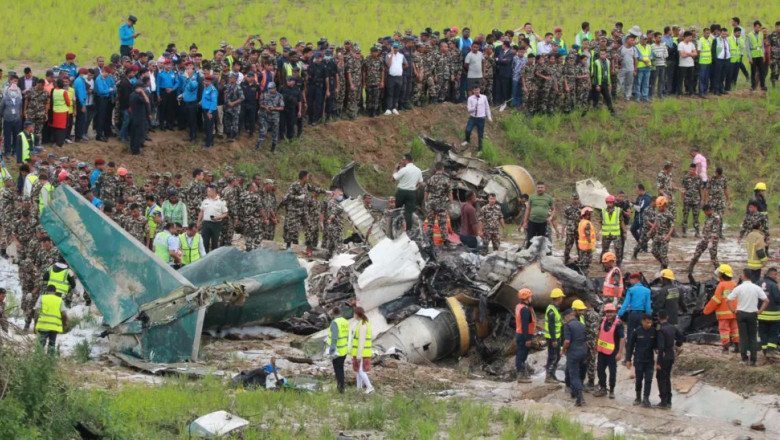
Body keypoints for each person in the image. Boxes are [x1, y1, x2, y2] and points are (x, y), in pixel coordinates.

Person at [727, 268, 770, 366]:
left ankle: (744, 358)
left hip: (741, 314)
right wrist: (760, 311)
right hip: (752, 314)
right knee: (752, 337)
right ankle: (753, 360)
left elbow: (728, 300)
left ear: (744, 276)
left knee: (743, 336)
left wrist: (733, 310)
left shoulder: (739, 288)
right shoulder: (756, 288)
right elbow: (766, 300)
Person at [592, 303, 624, 399]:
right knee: (600, 370)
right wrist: (595, 345)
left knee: (612, 372)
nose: (609, 314)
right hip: (601, 351)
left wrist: (620, 353)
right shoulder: (603, 321)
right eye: (607, 312)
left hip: (612, 353)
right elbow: (599, 333)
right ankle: (602, 388)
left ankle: (612, 390)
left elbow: (622, 338)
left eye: (611, 312)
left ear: (615, 312)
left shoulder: (618, 324)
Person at [625, 313, 656, 407]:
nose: (649, 324)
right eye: (647, 322)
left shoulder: (654, 331)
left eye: (650, 323)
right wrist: (628, 359)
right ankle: (638, 397)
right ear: (642, 321)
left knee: (648, 380)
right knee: (639, 379)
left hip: (649, 360)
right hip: (639, 360)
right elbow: (630, 346)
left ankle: (646, 398)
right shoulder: (637, 331)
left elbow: (657, 344)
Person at [655, 310, 684, 409]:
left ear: (659, 318)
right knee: (667, 378)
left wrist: (658, 362)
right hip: (671, 355)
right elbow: (681, 337)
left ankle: (663, 401)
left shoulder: (660, 330)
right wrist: (677, 345)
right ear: (667, 317)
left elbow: (661, 347)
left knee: (661, 378)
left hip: (663, 357)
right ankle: (669, 401)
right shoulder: (672, 327)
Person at [562, 307, 588, 406]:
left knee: (574, 375)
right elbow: (586, 341)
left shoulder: (567, 326)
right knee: (581, 373)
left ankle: (580, 398)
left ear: (568, 316)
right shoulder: (582, 325)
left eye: (565, 318)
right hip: (583, 352)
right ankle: (574, 392)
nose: (565, 320)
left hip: (573, 353)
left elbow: (567, 341)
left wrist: (563, 350)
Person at [392, 153, 423, 233]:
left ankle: (396, 227)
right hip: (412, 193)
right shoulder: (418, 170)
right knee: (409, 212)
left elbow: (393, 179)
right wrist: (415, 188)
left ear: (406, 160)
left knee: (397, 210)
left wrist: (396, 169)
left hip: (402, 191)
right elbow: (420, 183)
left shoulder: (404, 169)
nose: (402, 161)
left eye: (402, 159)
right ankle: (408, 231)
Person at [424, 162, 453, 246]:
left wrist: (426, 202)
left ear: (435, 169)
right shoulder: (446, 180)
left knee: (430, 223)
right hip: (441, 204)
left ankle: (429, 240)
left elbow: (426, 192)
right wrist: (451, 203)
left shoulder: (430, 179)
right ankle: (445, 241)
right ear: (443, 169)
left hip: (431, 204)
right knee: (442, 223)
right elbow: (450, 193)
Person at [34, 285, 68, 355]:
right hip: (54, 327)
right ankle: (50, 360)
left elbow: (36, 312)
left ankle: (38, 360)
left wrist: (35, 324)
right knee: (52, 344)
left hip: (43, 326)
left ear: (46, 291)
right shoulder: (59, 300)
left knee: (40, 345)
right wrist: (64, 324)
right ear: (55, 292)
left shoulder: (42, 298)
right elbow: (64, 314)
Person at [618, 273, 652, 342]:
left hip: (632, 315)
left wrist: (619, 314)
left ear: (636, 279)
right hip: (642, 315)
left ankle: (629, 351)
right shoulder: (647, 291)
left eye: (630, 279)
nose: (629, 281)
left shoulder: (631, 290)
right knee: (641, 334)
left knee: (630, 334)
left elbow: (625, 304)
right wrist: (649, 317)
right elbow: (648, 306)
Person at [348, 307, 374, 394]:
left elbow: (361, 341)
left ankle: (370, 387)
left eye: (354, 313)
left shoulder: (363, 325)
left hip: (362, 352)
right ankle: (358, 388)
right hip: (360, 352)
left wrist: (359, 355)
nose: (353, 315)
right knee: (358, 371)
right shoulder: (362, 323)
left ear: (357, 314)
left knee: (361, 371)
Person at [197, 184, 228, 253]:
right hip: (206, 224)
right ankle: (205, 258)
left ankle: (214, 258)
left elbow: (225, 213)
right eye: (207, 191)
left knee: (215, 242)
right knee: (204, 242)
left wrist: (218, 217)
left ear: (214, 191)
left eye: (209, 191)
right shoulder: (205, 201)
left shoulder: (221, 201)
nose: (207, 192)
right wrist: (198, 222)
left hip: (216, 224)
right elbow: (201, 212)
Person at [326, 307, 350, 393]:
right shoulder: (345, 322)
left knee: (338, 371)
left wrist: (331, 351)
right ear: (341, 312)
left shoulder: (334, 322)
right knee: (341, 369)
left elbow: (334, 338)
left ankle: (340, 389)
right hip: (344, 350)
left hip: (337, 351)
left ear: (333, 313)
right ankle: (341, 387)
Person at [523, 182, 554, 248]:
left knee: (541, 241)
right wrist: (525, 222)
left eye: (541, 187)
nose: (540, 189)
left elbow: (553, 209)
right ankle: (529, 255)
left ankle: (539, 256)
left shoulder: (549, 198)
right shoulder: (532, 197)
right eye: (538, 187)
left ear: (545, 188)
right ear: (536, 188)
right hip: (532, 222)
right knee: (530, 241)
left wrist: (551, 217)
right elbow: (528, 209)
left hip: (543, 223)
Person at [462, 85, 491, 153]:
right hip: (473, 118)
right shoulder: (470, 98)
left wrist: (489, 117)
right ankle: (467, 140)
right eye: (475, 90)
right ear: (473, 91)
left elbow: (487, 107)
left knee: (480, 134)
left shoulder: (484, 97)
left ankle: (480, 149)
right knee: (468, 130)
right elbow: (469, 110)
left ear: (479, 90)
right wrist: (474, 108)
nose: (476, 91)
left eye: (477, 90)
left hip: (481, 118)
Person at [544, 288, 565, 383]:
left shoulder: (555, 308)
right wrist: (554, 340)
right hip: (553, 338)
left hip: (556, 337)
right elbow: (551, 326)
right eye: (561, 297)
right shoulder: (552, 310)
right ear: (559, 298)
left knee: (556, 356)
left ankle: (552, 374)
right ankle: (549, 376)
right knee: (553, 356)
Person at [515, 288, 535, 383]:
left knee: (521, 354)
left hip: (521, 334)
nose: (532, 298)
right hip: (524, 335)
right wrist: (527, 339)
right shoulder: (525, 310)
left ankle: (522, 373)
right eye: (530, 296)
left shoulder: (520, 306)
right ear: (526, 297)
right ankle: (521, 375)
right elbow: (525, 325)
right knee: (521, 355)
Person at [759, 267, 780, 357]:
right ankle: (771, 351)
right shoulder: (774, 286)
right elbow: (778, 299)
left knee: (763, 333)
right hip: (773, 316)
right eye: (775, 274)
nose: (776, 276)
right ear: (771, 274)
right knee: (773, 333)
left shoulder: (758, 283)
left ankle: (764, 351)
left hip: (761, 315)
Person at [600, 195, 624, 263]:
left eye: (610, 202)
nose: (609, 204)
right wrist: (597, 233)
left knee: (618, 250)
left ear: (613, 203)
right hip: (606, 234)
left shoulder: (618, 210)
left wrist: (625, 232)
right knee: (605, 250)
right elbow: (600, 222)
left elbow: (621, 221)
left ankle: (618, 264)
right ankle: (604, 264)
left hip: (616, 234)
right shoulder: (603, 211)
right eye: (608, 202)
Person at [681, 163, 703, 236]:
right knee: (685, 216)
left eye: (693, 169)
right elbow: (683, 189)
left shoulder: (699, 178)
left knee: (696, 216)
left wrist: (701, 199)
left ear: (695, 170)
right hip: (687, 199)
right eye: (690, 169)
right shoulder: (686, 177)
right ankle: (684, 232)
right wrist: (683, 198)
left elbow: (700, 189)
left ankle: (697, 232)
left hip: (696, 200)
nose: (691, 171)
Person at [384, 42, 406, 115]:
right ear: (392, 48)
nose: (395, 49)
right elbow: (388, 65)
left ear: (398, 48)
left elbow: (406, 64)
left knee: (397, 93)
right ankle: (388, 108)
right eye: (394, 48)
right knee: (390, 93)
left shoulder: (401, 56)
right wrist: (392, 55)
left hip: (399, 77)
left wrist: (400, 69)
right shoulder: (388, 55)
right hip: (391, 77)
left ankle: (394, 108)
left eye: (396, 48)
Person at [128, 83, 149, 155]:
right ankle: (136, 150)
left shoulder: (132, 94)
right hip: (139, 117)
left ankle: (132, 147)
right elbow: (147, 101)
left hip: (133, 116)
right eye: (142, 88)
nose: (143, 89)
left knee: (133, 133)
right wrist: (143, 93)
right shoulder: (138, 96)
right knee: (138, 134)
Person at [747, 21, 767, 91]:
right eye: (757, 27)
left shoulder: (761, 34)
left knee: (762, 71)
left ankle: (762, 85)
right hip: (753, 56)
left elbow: (762, 45)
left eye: (759, 27)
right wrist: (750, 58)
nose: (758, 29)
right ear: (754, 27)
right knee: (753, 71)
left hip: (760, 55)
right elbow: (748, 47)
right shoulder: (750, 35)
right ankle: (753, 86)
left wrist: (763, 55)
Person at [676, 31, 697, 96]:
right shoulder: (681, 44)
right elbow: (682, 55)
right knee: (681, 79)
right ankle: (679, 93)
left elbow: (695, 54)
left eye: (691, 37)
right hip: (683, 65)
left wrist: (687, 53)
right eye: (689, 37)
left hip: (691, 64)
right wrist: (691, 54)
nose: (690, 39)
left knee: (691, 79)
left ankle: (691, 92)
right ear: (685, 37)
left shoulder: (692, 44)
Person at [200, 75, 218, 148]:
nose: (204, 81)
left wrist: (210, 112)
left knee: (209, 127)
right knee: (207, 126)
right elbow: (204, 97)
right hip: (205, 109)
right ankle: (209, 141)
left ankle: (208, 144)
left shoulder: (213, 89)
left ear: (209, 81)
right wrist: (201, 102)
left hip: (210, 111)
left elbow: (214, 102)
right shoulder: (205, 87)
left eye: (205, 80)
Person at [577, 207, 596, 271]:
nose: (590, 216)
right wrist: (591, 244)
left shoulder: (581, 222)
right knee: (586, 262)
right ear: (585, 215)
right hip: (587, 247)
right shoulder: (587, 223)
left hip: (582, 246)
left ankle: (581, 271)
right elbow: (587, 235)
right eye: (588, 214)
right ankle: (583, 273)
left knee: (582, 260)